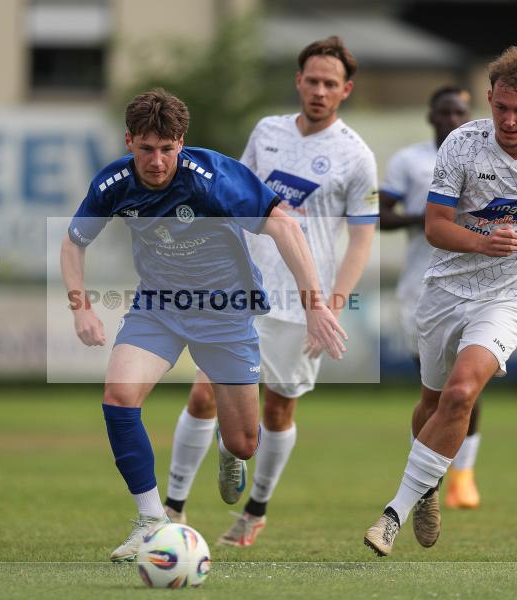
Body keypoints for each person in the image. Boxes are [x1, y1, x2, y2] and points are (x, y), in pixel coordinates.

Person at [60, 88, 347, 563]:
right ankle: (152, 521)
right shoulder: (113, 183)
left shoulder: (210, 176)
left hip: (226, 311)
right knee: (118, 397)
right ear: (128, 141)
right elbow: (74, 242)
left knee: (244, 442)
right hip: (159, 308)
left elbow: (284, 226)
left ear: (181, 143)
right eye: (146, 148)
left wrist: (314, 304)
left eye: (167, 149)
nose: (156, 161)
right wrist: (80, 306)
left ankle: (228, 447)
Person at [364, 46, 517, 556]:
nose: (508, 120)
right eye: (500, 107)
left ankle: (393, 513)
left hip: (511, 294)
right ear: (488, 98)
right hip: (446, 290)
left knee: (462, 394)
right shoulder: (462, 146)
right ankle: (429, 487)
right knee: (432, 403)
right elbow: (435, 226)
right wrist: (484, 241)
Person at [162, 36, 378, 547]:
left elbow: (362, 238)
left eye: (331, 83)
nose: (319, 90)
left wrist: (330, 308)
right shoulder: (267, 132)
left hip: (304, 304)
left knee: (279, 411)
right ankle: (170, 508)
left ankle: (255, 511)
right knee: (202, 393)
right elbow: (232, 201)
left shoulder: (357, 156)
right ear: (298, 81)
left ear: (345, 90)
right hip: (241, 290)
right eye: (312, 80)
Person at [379, 86, 483, 509]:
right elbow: (379, 213)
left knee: (467, 386)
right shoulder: (410, 161)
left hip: (475, 285)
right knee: (434, 390)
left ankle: (463, 476)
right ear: (431, 116)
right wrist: (421, 217)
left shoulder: (484, 158)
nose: (452, 119)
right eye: (445, 112)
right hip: (422, 288)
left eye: (460, 112)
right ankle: (425, 481)